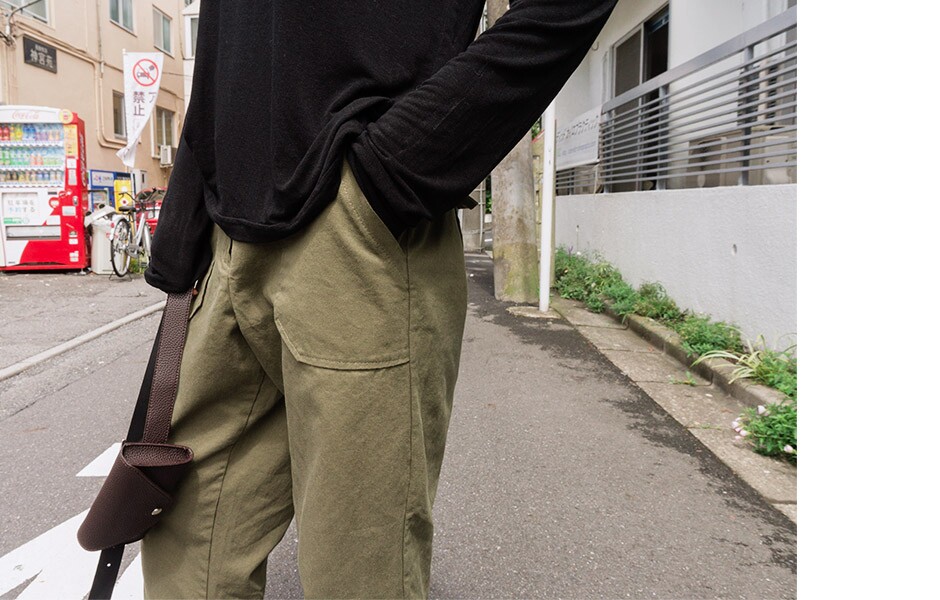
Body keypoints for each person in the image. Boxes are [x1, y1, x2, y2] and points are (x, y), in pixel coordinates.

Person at [140, 1, 619, 598]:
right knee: (186, 553)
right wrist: (183, 233)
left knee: (358, 567)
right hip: (227, 228)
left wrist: (393, 170)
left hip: (357, 232)